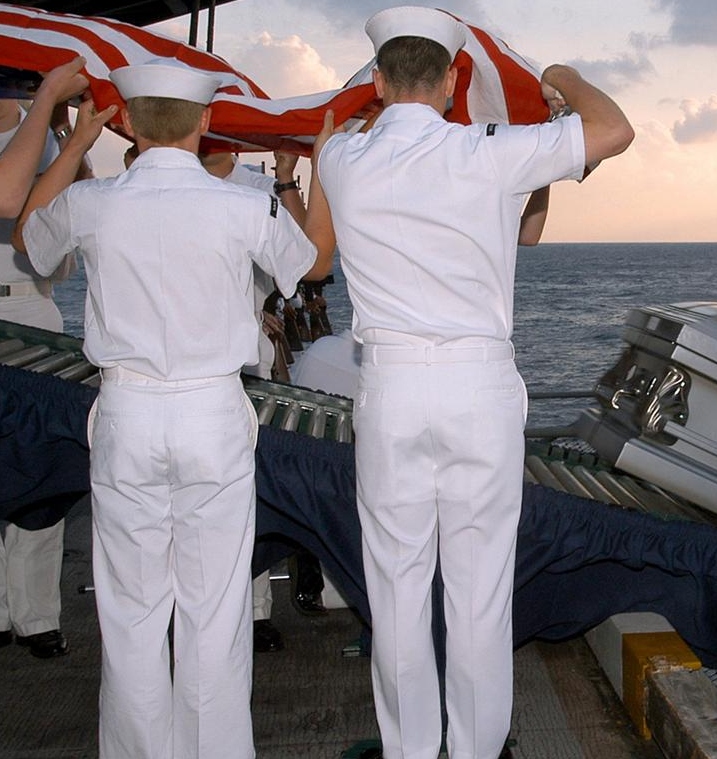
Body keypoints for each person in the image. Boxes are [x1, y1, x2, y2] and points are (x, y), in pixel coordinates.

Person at [305, 7, 633, 759]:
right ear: (453, 82)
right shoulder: (490, 153)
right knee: (480, 592)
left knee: (395, 589)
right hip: (476, 388)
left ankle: (410, 750)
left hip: (389, 390)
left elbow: (317, 252)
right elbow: (611, 132)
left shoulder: (342, 160)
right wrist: (560, 80)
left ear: (381, 81)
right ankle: (479, 749)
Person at [13, 59, 332, 759]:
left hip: (127, 412)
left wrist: (73, 144)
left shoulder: (95, 204)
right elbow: (309, 264)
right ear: (207, 121)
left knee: (130, 611)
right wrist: (312, 165)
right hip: (212, 413)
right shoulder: (246, 206)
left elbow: (27, 240)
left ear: (123, 122)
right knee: (214, 610)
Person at [198, 147, 313, 652]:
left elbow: (306, 255)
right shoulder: (164, 178)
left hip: (249, 356)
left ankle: (257, 608)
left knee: (251, 490)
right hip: (188, 354)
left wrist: (288, 179)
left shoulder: (262, 188)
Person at [0, 88, 83, 660]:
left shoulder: (46, 135)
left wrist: (68, 135)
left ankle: (35, 616)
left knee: (43, 460)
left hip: (31, 303)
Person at [0, 57, 88, 216]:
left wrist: (62, 127)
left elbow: (86, 198)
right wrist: (49, 93)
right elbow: (6, 200)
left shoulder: (49, 132)